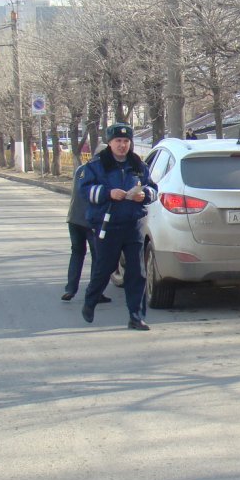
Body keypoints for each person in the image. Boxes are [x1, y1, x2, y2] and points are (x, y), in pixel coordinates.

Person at [79, 122, 158, 330]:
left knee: (137, 272)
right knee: (104, 268)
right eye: (118, 141)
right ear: (110, 143)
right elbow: (85, 191)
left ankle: (136, 316)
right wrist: (108, 193)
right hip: (107, 224)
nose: (122, 145)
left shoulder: (138, 165)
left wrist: (144, 195)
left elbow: (152, 189)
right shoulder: (96, 165)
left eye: (126, 141)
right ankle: (90, 299)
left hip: (134, 224)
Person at [62, 161, 112, 305]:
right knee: (98, 257)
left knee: (77, 253)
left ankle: (70, 289)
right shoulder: (102, 171)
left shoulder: (81, 169)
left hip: (73, 219)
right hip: (91, 221)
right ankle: (95, 292)